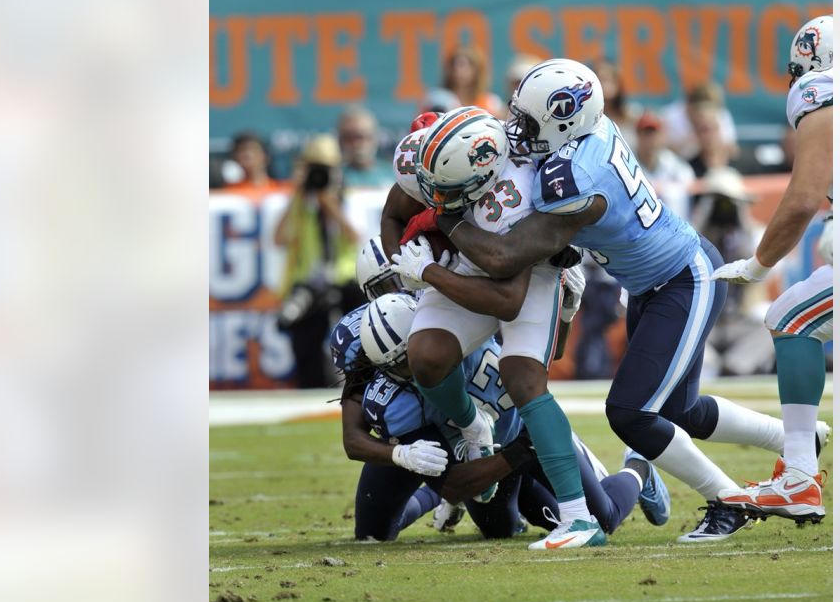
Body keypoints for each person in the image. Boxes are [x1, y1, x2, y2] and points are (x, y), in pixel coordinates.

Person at [434, 59, 790, 542]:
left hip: (683, 278)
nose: (520, 130)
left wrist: (446, 217)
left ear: (565, 119)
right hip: (652, 283)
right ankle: (794, 438)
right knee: (678, 412)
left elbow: (504, 257)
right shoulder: (588, 133)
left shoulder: (573, 175)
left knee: (631, 414)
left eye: (531, 121)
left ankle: (729, 500)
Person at [385, 108, 649, 550]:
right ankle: (473, 428)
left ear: (481, 178)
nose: (431, 197)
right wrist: (402, 264)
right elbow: (394, 214)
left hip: (531, 269)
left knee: (523, 378)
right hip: (467, 262)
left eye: (444, 192)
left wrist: (430, 268)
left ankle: (578, 517)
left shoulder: (525, 191)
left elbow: (506, 295)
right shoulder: (442, 156)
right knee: (427, 357)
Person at [337, 293, 670, 541]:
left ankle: (638, 469)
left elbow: (547, 351)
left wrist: (565, 313)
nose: (407, 370)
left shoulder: (465, 319)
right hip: (493, 454)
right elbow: (453, 483)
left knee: (605, 518)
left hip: (526, 425)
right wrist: (403, 454)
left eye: (407, 358)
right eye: (395, 366)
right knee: (501, 530)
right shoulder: (396, 399)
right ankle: (442, 496)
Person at [713, 15, 834, 526]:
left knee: (790, 316)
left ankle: (800, 477)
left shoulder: (819, 88)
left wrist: (757, 265)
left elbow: (804, 195)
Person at [274, 134, 363, 388]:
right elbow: (279, 239)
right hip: (310, 282)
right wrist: (297, 194)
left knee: (357, 345)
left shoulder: (348, 198)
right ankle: (311, 389)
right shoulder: (301, 204)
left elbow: (355, 235)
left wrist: (330, 203)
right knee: (305, 348)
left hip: (345, 279)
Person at [634, 110, 695, 219]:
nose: (651, 139)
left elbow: (689, 181)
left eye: (654, 134)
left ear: (662, 136)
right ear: (638, 136)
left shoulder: (671, 161)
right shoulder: (629, 161)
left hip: (671, 223)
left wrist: (665, 189)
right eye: (646, 134)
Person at [336, 107, 394, 188]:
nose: (356, 144)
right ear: (340, 140)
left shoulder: (395, 175)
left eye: (361, 136)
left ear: (375, 137)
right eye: (348, 138)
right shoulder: (333, 177)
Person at [441, 46, 504, 118]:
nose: (458, 71)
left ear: (476, 70)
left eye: (463, 65)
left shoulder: (491, 103)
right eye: (454, 65)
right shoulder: (440, 101)